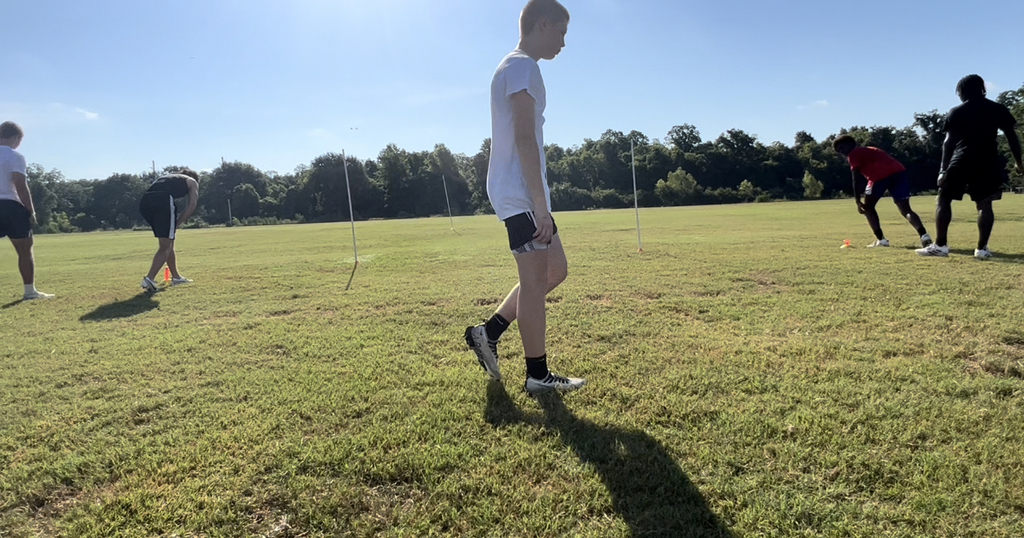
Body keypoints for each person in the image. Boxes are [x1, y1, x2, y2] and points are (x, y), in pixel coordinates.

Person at [464, 0, 585, 394]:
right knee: (534, 283)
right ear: (543, 24)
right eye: (561, 32)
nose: (563, 42)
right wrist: (540, 205)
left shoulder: (516, 66)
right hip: (521, 193)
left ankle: (488, 332)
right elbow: (524, 138)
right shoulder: (521, 67)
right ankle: (537, 375)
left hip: (521, 192)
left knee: (554, 271)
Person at [917, 74, 1024, 258]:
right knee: (984, 203)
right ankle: (981, 249)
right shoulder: (997, 109)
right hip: (988, 160)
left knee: (944, 198)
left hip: (962, 158)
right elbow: (1012, 137)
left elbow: (948, 143)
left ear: (962, 91)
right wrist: (1019, 162)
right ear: (982, 89)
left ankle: (940, 245)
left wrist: (943, 170)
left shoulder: (957, 111)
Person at [833, 135, 932, 248]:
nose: (842, 152)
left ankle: (881, 240)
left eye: (842, 148)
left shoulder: (853, 154)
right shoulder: (872, 149)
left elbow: (856, 179)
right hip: (898, 173)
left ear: (851, 144)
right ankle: (924, 235)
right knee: (906, 209)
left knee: (868, 208)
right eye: (839, 151)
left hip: (878, 177)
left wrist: (857, 200)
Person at [0, 121, 54, 301]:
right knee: (24, 250)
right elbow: (20, 184)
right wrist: (31, 211)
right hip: (11, 207)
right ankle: (30, 291)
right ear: (15, 138)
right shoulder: (15, 156)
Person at [138, 169, 200, 292]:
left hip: (145, 203)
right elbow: (192, 206)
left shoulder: (167, 177)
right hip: (162, 201)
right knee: (165, 246)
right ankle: (149, 278)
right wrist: (177, 223)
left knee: (168, 242)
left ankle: (176, 277)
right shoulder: (192, 181)